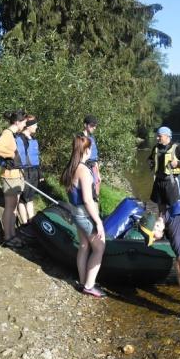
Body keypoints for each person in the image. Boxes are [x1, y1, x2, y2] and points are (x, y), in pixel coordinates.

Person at [60, 134, 106, 298]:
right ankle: (89, 285)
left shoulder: (71, 167)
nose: (91, 151)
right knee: (99, 248)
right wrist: (98, 222)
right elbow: (87, 199)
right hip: (85, 215)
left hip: (76, 213)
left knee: (84, 246)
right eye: (90, 148)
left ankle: (82, 280)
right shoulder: (84, 170)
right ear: (86, 150)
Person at [0, 110, 27, 248]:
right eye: (23, 122)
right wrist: (12, 155)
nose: (25, 124)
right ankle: (7, 237)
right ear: (17, 122)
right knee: (10, 208)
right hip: (9, 176)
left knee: (13, 208)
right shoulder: (7, 134)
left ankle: (12, 235)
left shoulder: (13, 134)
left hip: (16, 176)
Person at [148, 126, 180, 215]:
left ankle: (175, 225)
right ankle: (162, 225)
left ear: (167, 136)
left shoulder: (177, 148)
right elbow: (150, 158)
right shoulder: (156, 148)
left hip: (171, 182)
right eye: (157, 136)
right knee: (161, 208)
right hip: (158, 181)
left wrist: (178, 163)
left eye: (159, 136)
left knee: (175, 207)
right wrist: (150, 163)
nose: (157, 138)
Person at [16, 115, 43, 232]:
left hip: (33, 172)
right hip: (24, 171)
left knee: (30, 198)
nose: (37, 127)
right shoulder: (19, 139)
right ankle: (25, 223)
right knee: (23, 199)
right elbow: (17, 158)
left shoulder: (33, 140)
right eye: (35, 125)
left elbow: (37, 158)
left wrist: (40, 174)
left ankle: (31, 222)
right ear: (29, 126)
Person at [83, 115, 101, 196]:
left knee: (96, 192)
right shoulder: (80, 137)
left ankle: (95, 205)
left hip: (93, 167)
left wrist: (98, 174)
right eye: (92, 125)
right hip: (85, 167)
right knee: (88, 192)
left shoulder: (92, 138)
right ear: (85, 125)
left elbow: (95, 157)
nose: (94, 128)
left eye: (95, 126)